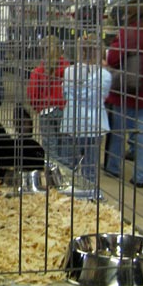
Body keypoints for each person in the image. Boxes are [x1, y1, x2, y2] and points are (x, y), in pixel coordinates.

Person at [103, 0, 143, 188]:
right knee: (142, 136)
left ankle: (113, 168)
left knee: (118, 133)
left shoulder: (129, 32)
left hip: (125, 94)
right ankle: (140, 176)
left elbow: (112, 59)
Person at [60, 33, 112, 193]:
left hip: (72, 121)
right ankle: (89, 195)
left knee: (69, 163)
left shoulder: (69, 71)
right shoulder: (105, 75)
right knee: (90, 165)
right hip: (94, 123)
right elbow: (104, 96)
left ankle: (69, 193)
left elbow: (66, 94)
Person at [27, 35, 69, 162]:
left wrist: (38, 108)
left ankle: (52, 172)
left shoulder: (38, 72)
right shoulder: (68, 69)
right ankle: (64, 173)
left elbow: (33, 94)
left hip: (45, 111)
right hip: (65, 111)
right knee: (64, 146)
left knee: (50, 147)